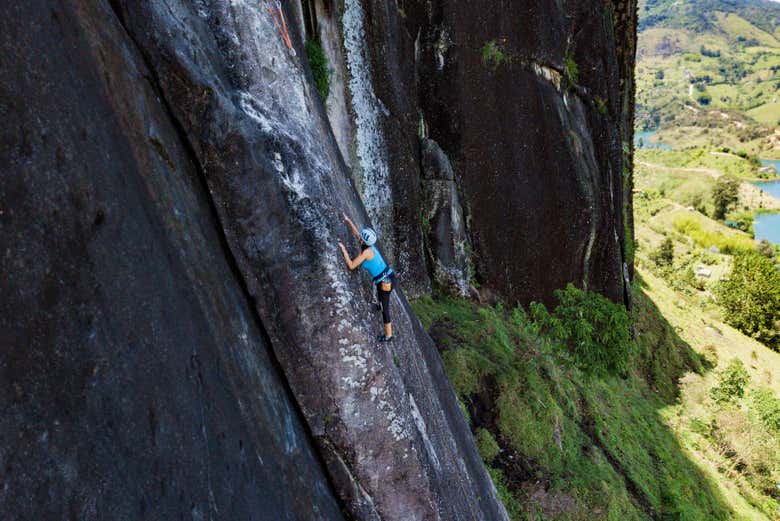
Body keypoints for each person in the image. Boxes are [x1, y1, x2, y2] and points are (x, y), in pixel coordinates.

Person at [338, 212, 396, 342]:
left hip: (385, 282)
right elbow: (357, 233)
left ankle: (389, 335)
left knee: (385, 309)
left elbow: (351, 265)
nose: (359, 237)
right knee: (381, 298)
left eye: (361, 238)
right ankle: (379, 305)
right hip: (388, 276)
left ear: (364, 241)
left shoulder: (366, 253)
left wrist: (343, 249)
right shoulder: (370, 245)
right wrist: (348, 220)